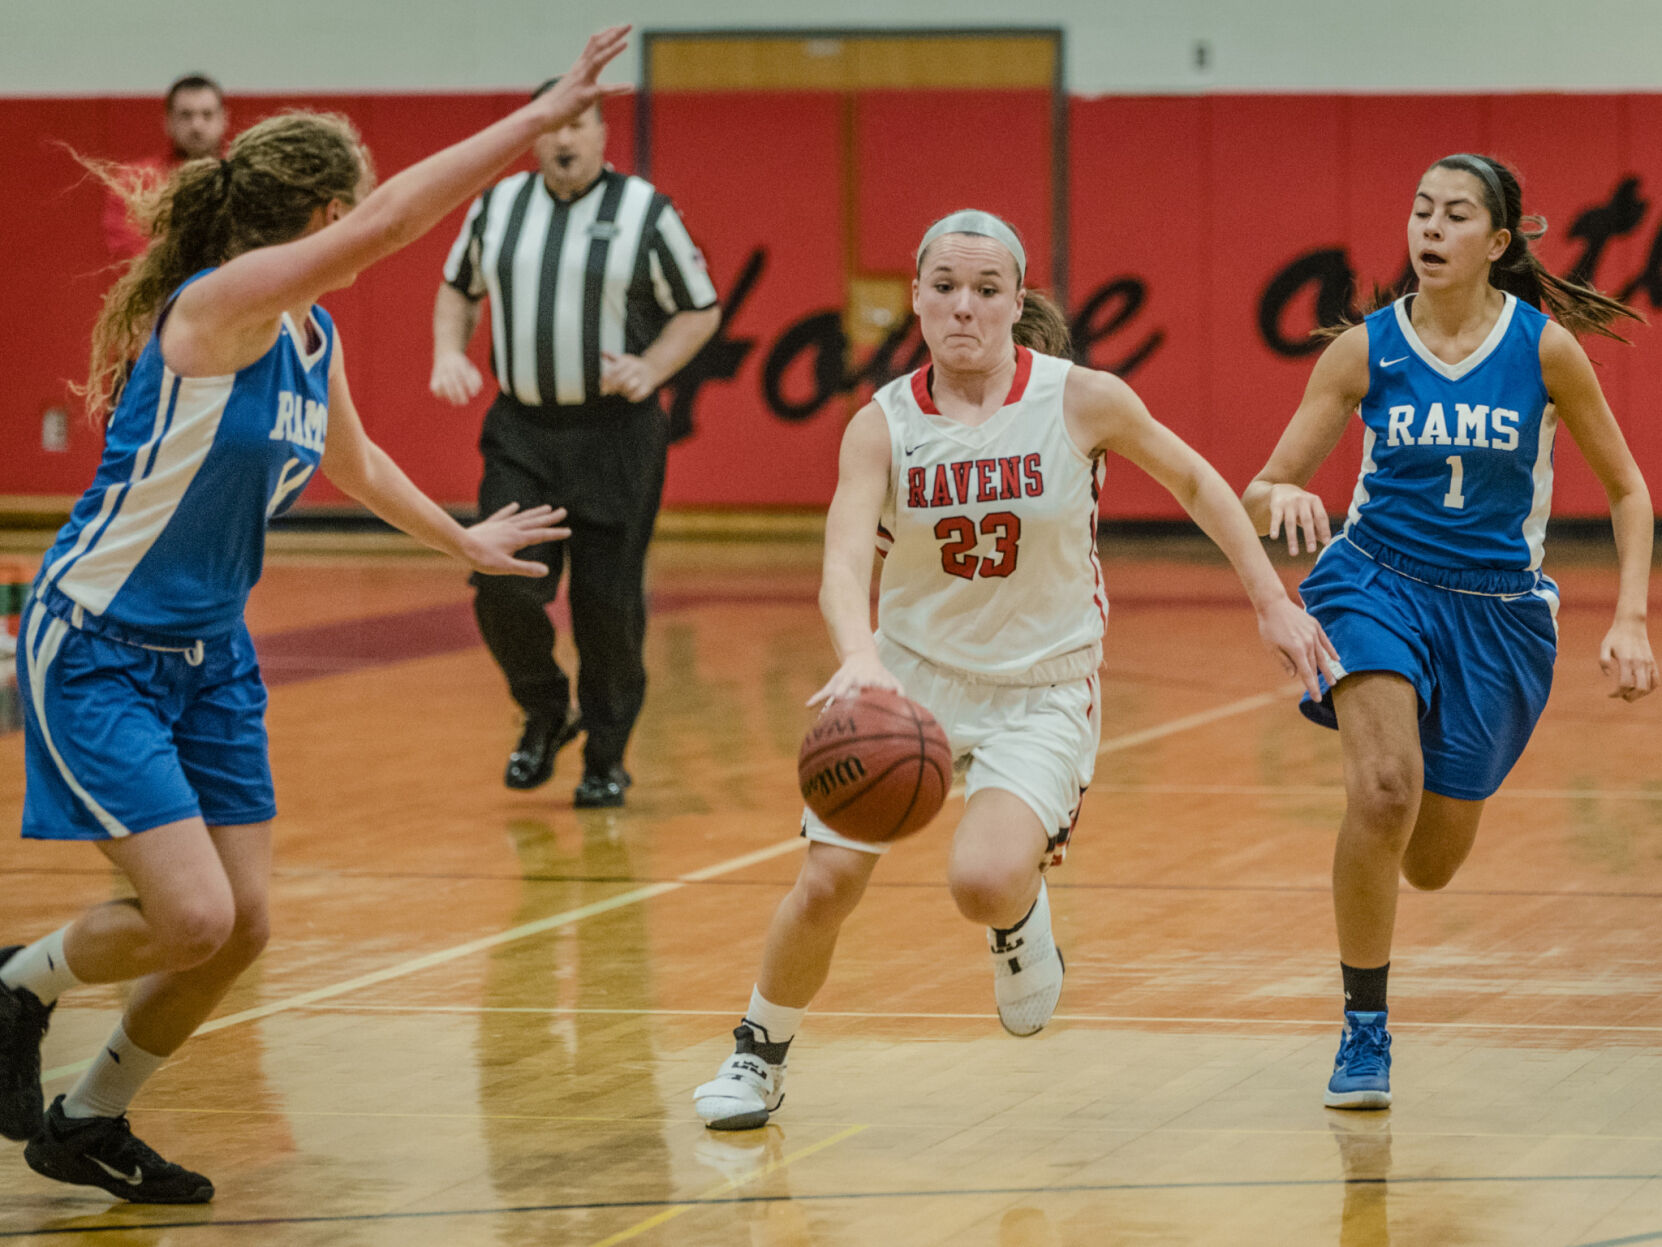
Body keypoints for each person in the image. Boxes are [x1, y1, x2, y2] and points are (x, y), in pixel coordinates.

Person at [0, 27, 632, 1203]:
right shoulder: (222, 304)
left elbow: (360, 461)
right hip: (98, 642)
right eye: (347, 217)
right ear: (320, 212)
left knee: (239, 927)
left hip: (212, 658)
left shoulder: (308, 333)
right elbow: (393, 222)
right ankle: (18, 984)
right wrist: (535, 121)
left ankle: (88, 1119)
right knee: (189, 910)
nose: (364, 238)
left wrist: (468, 540)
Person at [692, 209, 1337, 1130]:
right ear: (914, 298)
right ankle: (757, 1053)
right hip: (906, 680)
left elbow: (1196, 482)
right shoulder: (880, 426)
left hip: (1041, 686)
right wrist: (861, 659)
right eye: (945, 288)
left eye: (987, 291)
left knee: (983, 878)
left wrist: (1272, 598)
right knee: (829, 878)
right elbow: (841, 565)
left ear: (1016, 302)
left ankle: (1017, 921)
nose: (965, 308)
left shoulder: (1081, 399)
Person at [1242, 153, 1657, 1110]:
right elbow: (1265, 483)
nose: (1429, 228)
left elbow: (1630, 490)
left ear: (1497, 242)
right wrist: (1290, 492)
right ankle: (1365, 1026)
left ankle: (1433, 790)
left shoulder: (1546, 351)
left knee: (1429, 861)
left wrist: (1630, 615)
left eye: (1455, 215)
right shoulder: (1364, 350)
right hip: (1375, 580)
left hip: (1499, 612)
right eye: (1420, 209)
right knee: (1384, 791)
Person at [430, 80, 721, 809]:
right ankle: (543, 707)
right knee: (500, 580)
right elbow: (458, 286)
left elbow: (701, 310)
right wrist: (449, 351)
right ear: (535, 135)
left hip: (616, 436)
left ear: (600, 133)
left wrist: (651, 367)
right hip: (523, 432)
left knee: (607, 606)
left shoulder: (644, 211)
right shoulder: (497, 207)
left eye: (579, 125)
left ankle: (606, 756)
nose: (565, 140)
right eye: (553, 127)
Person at [103, 74, 230, 262]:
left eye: (207, 114)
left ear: (224, 119)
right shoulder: (136, 182)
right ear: (168, 122)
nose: (196, 125)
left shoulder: (243, 177)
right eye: (186, 115)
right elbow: (128, 254)